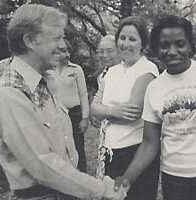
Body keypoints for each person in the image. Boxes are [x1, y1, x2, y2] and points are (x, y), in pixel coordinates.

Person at [0, 4, 126, 200]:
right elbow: (42, 165)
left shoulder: (43, 82)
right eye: (56, 38)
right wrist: (100, 189)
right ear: (30, 40)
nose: (63, 45)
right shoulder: (11, 92)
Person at [114, 15, 196, 200]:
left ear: (190, 46)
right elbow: (150, 143)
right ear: (156, 49)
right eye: (164, 45)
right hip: (174, 178)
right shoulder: (154, 88)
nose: (172, 51)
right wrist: (127, 178)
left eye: (180, 44)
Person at [91, 16, 160, 200]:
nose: (126, 44)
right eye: (122, 38)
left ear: (143, 43)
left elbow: (132, 113)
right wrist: (112, 111)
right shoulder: (112, 72)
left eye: (132, 39)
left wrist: (103, 111)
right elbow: (93, 109)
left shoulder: (147, 69)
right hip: (109, 151)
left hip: (134, 152)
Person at [46, 41, 89, 173]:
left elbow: (83, 94)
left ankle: (83, 176)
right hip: (56, 114)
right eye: (63, 51)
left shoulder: (76, 69)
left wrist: (85, 117)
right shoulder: (47, 70)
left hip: (74, 113)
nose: (67, 55)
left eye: (68, 51)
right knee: (59, 145)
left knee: (78, 145)